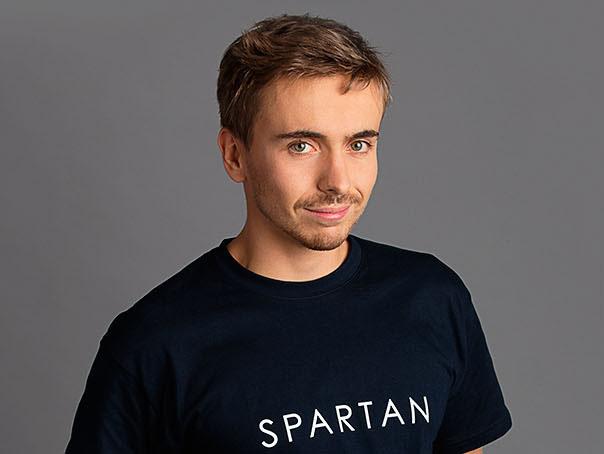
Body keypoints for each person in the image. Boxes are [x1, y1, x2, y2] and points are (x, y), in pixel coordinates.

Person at [65, 13, 512, 454]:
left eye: (358, 144)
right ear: (235, 155)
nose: (337, 180)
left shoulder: (432, 297)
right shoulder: (155, 344)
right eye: (302, 146)